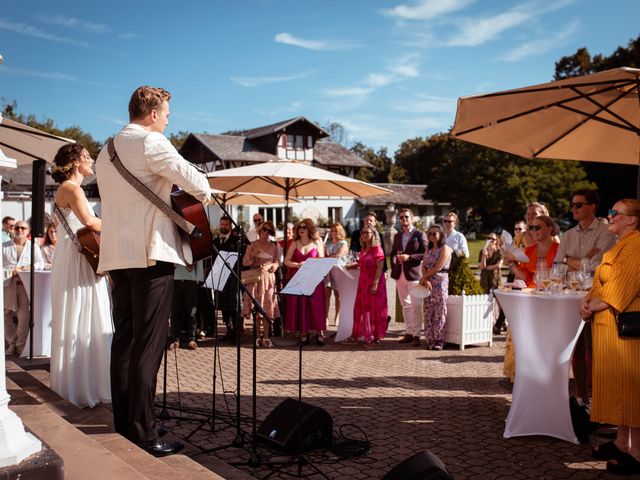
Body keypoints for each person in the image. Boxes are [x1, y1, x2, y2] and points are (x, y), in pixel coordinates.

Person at [96, 86, 211, 456]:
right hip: (150, 254)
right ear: (151, 113)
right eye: (165, 115)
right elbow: (199, 184)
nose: (167, 121)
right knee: (148, 344)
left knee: (125, 342)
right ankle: (144, 433)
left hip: (118, 257)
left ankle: (127, 423)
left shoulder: (106, 150)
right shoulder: (151, 142)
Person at [48, 143, 112, 407]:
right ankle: (80, 388)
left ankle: (88, 384)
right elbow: (90, 221)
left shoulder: (71, 189)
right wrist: (121, 225)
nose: (92, 161)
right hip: (77, 257)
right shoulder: (71, 189)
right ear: (75, 162)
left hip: (75, 254)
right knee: (82, 314)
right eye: (87, 157)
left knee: (87, 315)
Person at [581, 199, 640, 475]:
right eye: (610, 212)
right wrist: (587, 299)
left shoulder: (637, 247)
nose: (610, 216)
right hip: (611, 332)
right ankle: (622, 442)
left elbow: (620, 288)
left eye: (615, 213)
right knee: (620, 390)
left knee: (631, 390)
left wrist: (593, 304)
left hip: (627, 333)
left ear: (632, 220)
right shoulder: (619, 246)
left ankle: (637, 452)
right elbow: (600, 282)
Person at [555, 189, 616, 407]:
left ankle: (602, 403)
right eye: (572, 205)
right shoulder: (568, 235)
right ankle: (582, 398)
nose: (574, 209)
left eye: (578, 205)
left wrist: (572, 261)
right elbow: (557, 267)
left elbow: (597, 266)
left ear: (592, 207)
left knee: (597, 351)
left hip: (597, 298)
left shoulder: (607, 232)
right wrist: (583, 261)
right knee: (577, 350)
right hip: (572, 298)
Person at [3, 220, 44, 356]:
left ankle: (20, 346)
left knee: (24, 316)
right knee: (6, 315)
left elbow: (40, 263)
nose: (19, 230)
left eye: (22, 227)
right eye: (17, 227)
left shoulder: (34, 246)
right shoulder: (4, 246)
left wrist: (25, 268)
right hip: (8, 284)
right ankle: (11, 344)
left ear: (28, 230)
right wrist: (11, 271)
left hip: (24, 286)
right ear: (13, 229)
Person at [284, 218, 326, 345]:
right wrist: (297, 265)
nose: (301, 230)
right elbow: (286, 261)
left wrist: (309, 263)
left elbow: (322, 259)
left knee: (316, 306)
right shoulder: (294, 243)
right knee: (301, 305)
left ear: (309, 229)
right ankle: (304, 333)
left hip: (314, 278)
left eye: (304, 227)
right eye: (299, 228)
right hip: (299, 277)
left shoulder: (316, 241)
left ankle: (320, 333)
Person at [390, 208, 428, 346]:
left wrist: (409, 257)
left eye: (406, 217)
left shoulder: (420, 234)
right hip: (400, 275)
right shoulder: (397, 236)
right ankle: (409, 332)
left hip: (414, 275)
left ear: (412, 219)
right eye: (401, 218)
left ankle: (417, 335)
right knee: (405, 305)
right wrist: (395, 262)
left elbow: (426, 254)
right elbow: (393, 253)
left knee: (416, 305)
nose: (404, 220)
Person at [347, 226, 387, 347]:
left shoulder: (377, 250)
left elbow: (380, 268)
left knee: (374, 310)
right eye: (362, 232)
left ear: (373, 234)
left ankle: (375, 339)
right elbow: (361, 263)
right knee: (361, 309)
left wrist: (374, 284)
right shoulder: (364, 249)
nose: (363, 234)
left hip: (374, 283)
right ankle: (361, 334)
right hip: (363, 283)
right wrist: (351, 266)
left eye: (366, 232)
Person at [242, 221, 280, 347]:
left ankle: (267, 336)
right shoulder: (252, 245)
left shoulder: (274, 246)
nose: (265, 232)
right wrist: (253, 255)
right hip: (255, 278)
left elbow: (277, 262)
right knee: (257, 308)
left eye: (268, 231)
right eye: (263, 230)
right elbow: (245, 263)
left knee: (267, 308)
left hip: (268, 278)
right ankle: (258, 336)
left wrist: (272, 265)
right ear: (259, 231)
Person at [420, 224, 452, 350]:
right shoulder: (428, 250)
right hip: (428, 282)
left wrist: (424, 277)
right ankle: (430, 338)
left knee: (440, 310)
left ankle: (439, 339)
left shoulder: (445, 248)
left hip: (440, 281)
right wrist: (426, 278)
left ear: (441, 235)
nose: (432, 236)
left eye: (435, 234)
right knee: (428, 310)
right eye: (430, 234)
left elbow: (439, 266)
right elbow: (423, 265)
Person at [212, 215, 243, 342]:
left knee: (234, 307)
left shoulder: (236, 241)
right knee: (223, 306)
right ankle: (229, 330)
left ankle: (236, 333)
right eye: (222, 224)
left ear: (230, 226)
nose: (223, 226)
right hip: (219, 278)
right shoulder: (215, 242)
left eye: (226, 224)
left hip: (233, 278)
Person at [511, 215, 560, 287]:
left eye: (537, 227)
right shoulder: (528, 251)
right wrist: (511, 264)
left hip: (552, 294)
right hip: (531, 293)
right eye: (531, 228)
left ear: (550, 229)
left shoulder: (559, 249)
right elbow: (525, 278)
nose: (533, 231)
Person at [169, 261, 205, 351]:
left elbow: (199, 257)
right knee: (175, 311)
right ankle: (175, 339)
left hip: (191, 280)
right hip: (175, 278)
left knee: (192, 312)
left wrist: (199, 279)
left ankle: (191, 339)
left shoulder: (194, 245)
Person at [324, 223, 348, 326]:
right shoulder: (327, 243)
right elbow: (325, 255)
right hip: (327, 270)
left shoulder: (343, 243)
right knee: (326, 294)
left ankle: (337, 316)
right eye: (332, 230)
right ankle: (326, 317)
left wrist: (327, 257)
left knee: (338, 295)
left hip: (338, 269)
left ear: (340, 232)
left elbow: (338, 256)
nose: (333, 232)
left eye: (335, 230)